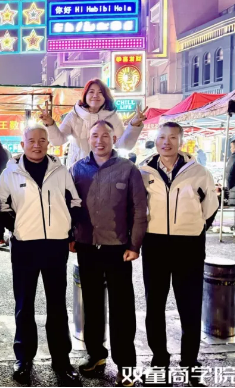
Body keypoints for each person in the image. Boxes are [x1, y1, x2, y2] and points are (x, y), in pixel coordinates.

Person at [0, 125, 82, 386]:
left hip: (56, 246)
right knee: (24, 305)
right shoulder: (10, 172)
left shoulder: (60, 170)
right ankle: (24, 358)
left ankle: (61, 360)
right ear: (22, 144)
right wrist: (17, 228)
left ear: (48, 143)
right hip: (25, 246)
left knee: (57, 305)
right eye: (31, 140)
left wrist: (68, 231)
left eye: (42, 140)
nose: (37, 145)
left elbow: (75, 202)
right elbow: (0, 205)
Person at [139, 122, 219, 386]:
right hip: (155, 244)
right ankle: (159, 361)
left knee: (190, 306)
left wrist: (192, 228)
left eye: (173, 137)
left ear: (181, 142)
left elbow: (210, 208)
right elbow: (137, 207)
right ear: (156, 141)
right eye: (162, 137)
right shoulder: (143, 171)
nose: (167, 142)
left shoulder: (199, 172)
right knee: (154, 306)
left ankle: (190, 363)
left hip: (189, 246)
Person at [70, 121, 147, 386]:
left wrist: (134, 245)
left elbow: (139, 209)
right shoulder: (77, 169)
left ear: (114, 139)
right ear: (88, 139)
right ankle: (96, 355)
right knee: (91, 304)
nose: (100, 140)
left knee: (122, 308)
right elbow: (69, 205)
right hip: (87, 245)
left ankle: (126, 365)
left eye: (105, 135)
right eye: (95, 136)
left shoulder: (128, 169)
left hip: (118, 248)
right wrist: (71, 235)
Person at [37, 79, 146, 169]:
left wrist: (134, 125)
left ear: (105, 96)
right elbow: (58, 141)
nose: (95, 95)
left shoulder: (112, 117)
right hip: (78, 170)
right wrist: (50, 123)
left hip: (105, 170)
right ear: (85, 95)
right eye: (91, 92)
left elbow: (123, 145)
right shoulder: (74, 115)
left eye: (100, 93)